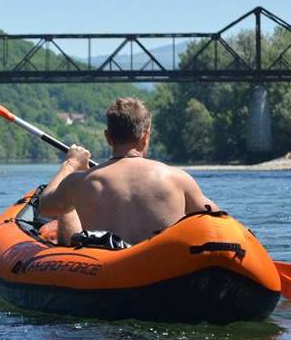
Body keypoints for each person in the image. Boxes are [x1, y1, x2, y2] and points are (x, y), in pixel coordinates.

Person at [38, 97, 218, 245]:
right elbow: (217, 218)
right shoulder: (177, 179)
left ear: (108, 137)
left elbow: (44, 205)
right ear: (146, 137)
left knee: (67, 206)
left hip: (103, 273)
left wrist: (71, 164)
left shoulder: (79, 183)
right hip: (162, 273)